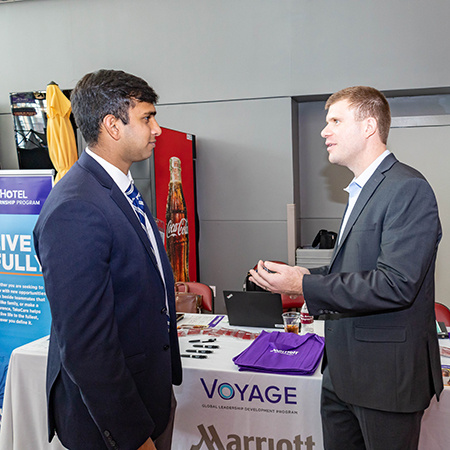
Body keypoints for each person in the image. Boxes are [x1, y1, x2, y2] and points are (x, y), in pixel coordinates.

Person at [250, 86, 443, 450]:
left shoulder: (407, 188)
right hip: (341, 375)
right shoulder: (363, 189)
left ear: (369, 126)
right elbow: (355, 269)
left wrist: (304, 286)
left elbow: (396, 283)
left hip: (386, 380)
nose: (324, 131)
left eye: (335, 121)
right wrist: (303, 277)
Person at [33, 69, 182, 450]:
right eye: (147, 117)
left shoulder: (118, 188)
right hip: (112, 424)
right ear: (112, 125)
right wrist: (133, 437)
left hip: (150, 397)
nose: (158, 129)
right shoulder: (76, 208)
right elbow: (86, 345)